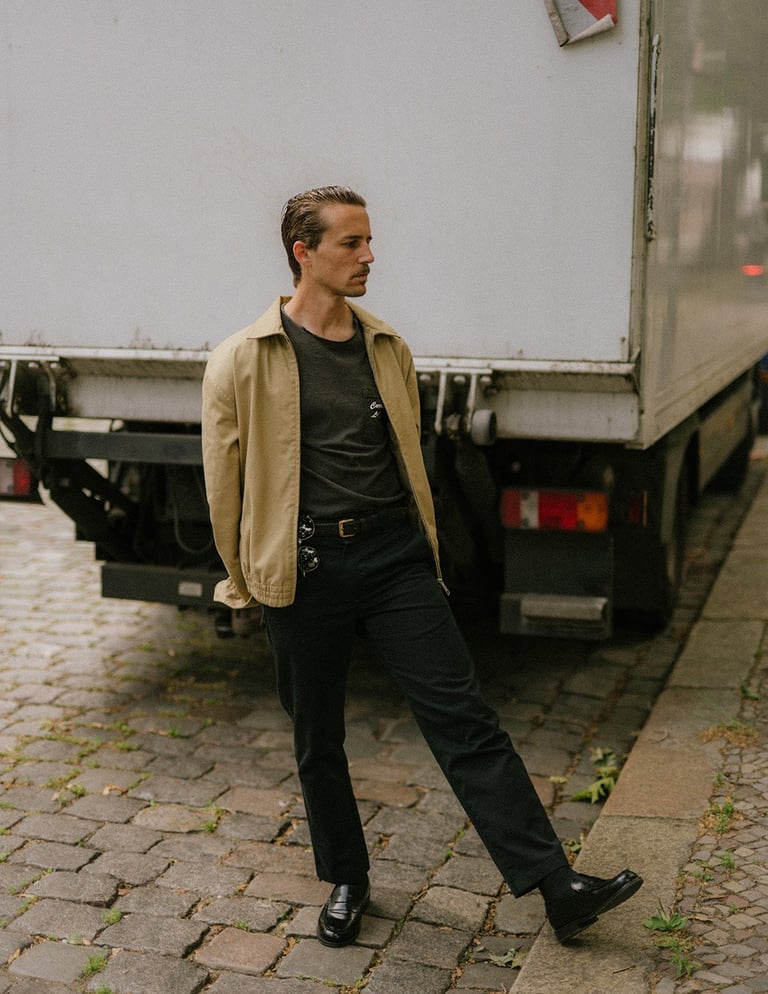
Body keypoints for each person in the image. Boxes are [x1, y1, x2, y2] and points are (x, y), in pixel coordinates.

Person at [201, 185, 642, 948]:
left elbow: (408, 461)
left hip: (394, 558)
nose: (370, 256)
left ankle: (555, 883)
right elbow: (225, 488)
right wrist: (246, 581)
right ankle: (348, 878)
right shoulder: (243, 358)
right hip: (304, 569)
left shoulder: (386, 347)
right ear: (303, 253)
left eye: (369, 241)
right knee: (317, 738)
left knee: (464, 720)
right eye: (351, 243)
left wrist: (423, 549)